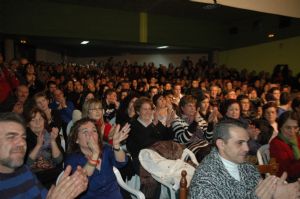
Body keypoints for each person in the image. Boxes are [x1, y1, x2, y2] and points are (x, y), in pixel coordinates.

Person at [189, 119, 300, 199]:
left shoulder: (246, 166)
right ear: (221, 144)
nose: (247, 148)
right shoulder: (204, 181)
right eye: (240, 143)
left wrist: (274, 192)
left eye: (247, 142)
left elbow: (262, 191)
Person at [0, 112, 88, 199]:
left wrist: (64, 190)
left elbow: (59, 160)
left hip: (54, 177)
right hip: (44, 177)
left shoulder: (24, 171)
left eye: (23, 137)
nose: (21, 143)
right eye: (11, 137)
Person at [65, 118, 130, 199]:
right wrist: (95, 154)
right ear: (77, 139)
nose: (91, 134)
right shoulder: (72, 160)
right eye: (85, 131)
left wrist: (116, 146)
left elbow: (122, 162)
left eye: (94, 131)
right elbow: (80, 182)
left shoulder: (105, 149)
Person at [270, 111, 300, 182]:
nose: (292, 131)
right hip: (286, 181)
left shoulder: (297, 139)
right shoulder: (276, 144)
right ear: (280, 127)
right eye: (288, 127)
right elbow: (286, 171)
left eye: (295, 127)